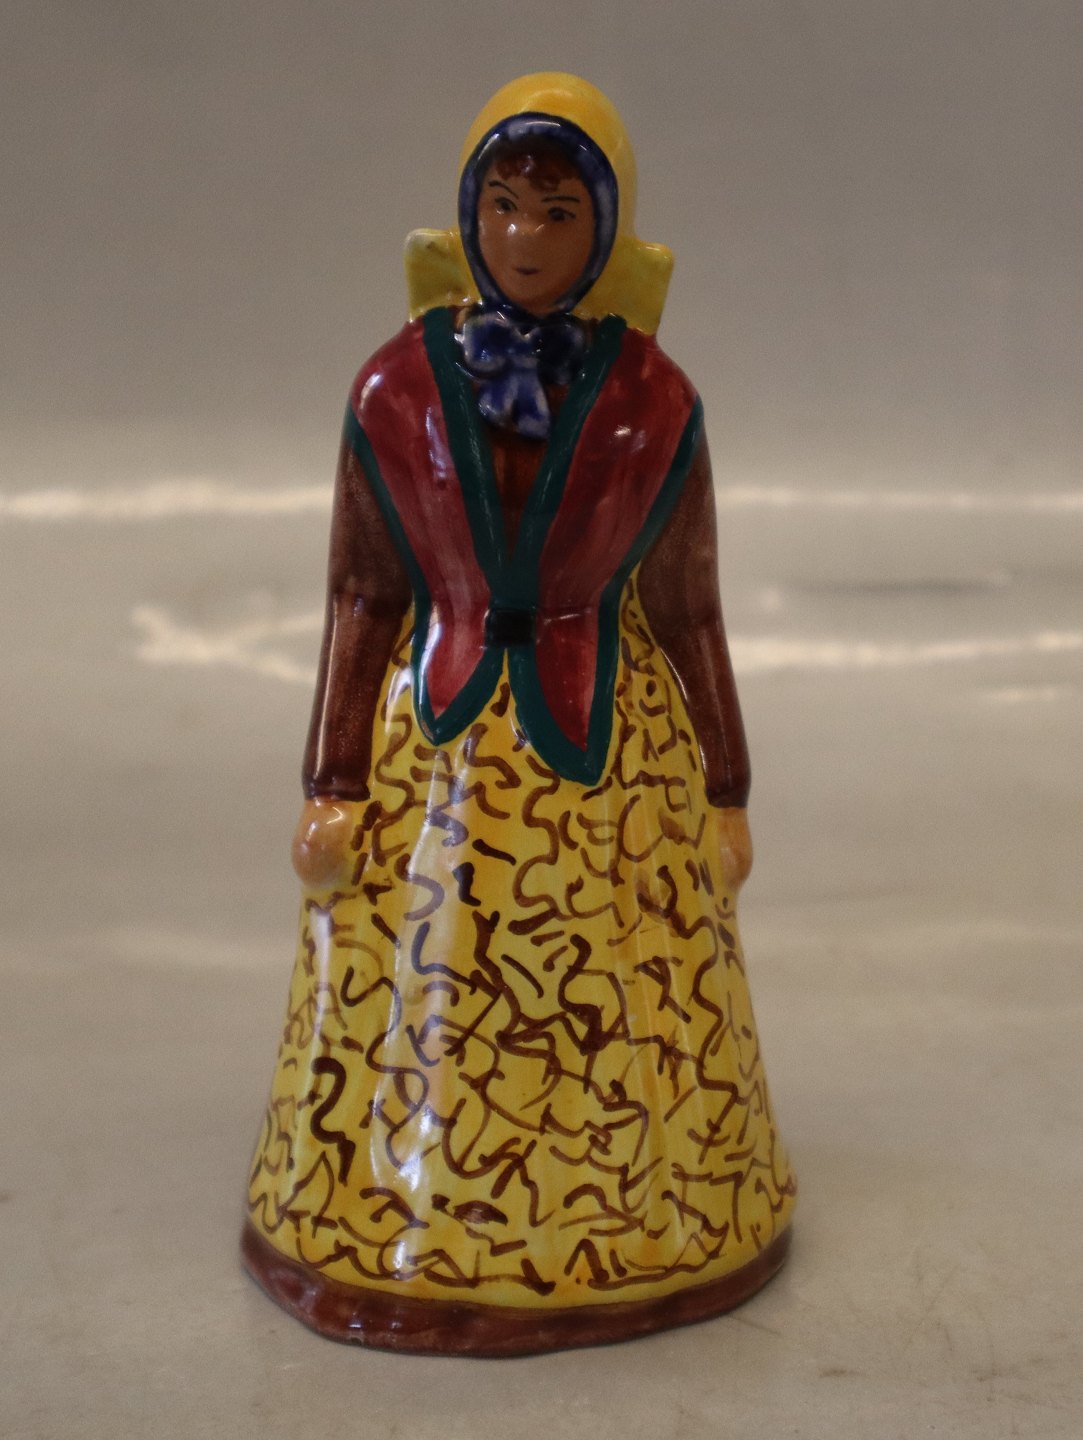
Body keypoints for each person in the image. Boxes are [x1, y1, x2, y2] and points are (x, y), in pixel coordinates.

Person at [242, 72, 796, 1356]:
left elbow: (691, 606)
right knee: (417, 991)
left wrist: (727, 786)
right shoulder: (393, 389)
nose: (524, 240)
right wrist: (331, 776)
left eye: (558, 213)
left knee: (617, 1006)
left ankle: (639, 1223)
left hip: (607, 757)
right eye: (501, 205)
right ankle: (391, 1217)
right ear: (465, 210)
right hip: (431, 749)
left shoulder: (659, 403)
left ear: (606, 226)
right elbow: (362, 591)